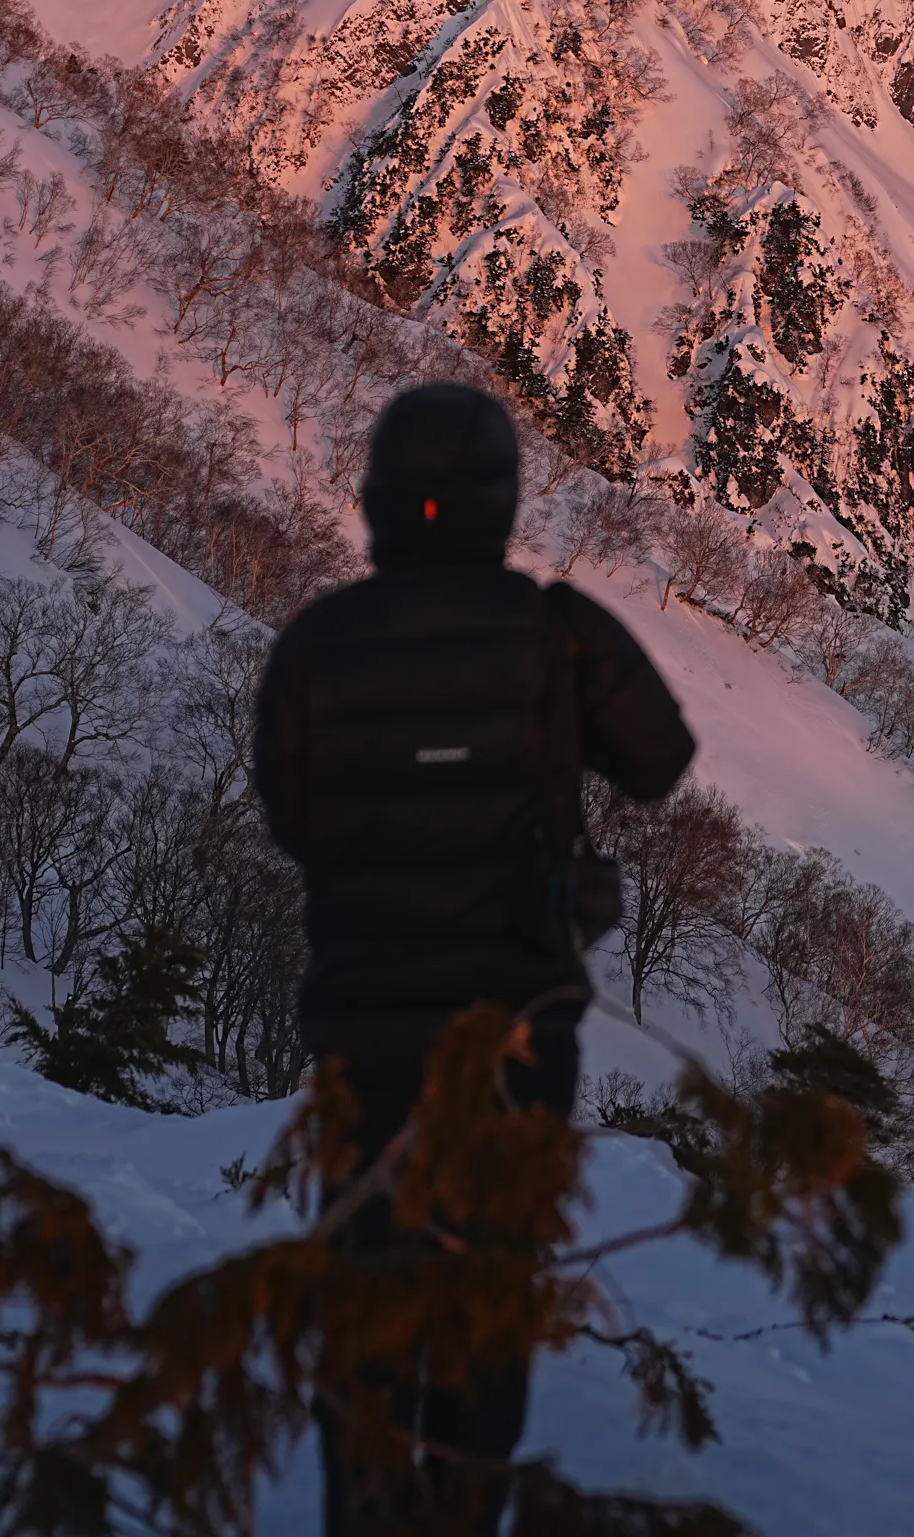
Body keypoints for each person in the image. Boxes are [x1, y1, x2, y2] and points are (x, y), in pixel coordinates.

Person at [253, 379, 695, 1529]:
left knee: (362, 1299)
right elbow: (658, 760)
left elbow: (293, 820)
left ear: (378, 498)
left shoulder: (318, 646)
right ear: (502, 502)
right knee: (483, 1304)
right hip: (516, 1038)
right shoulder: (554, 635)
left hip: (361, 1038)